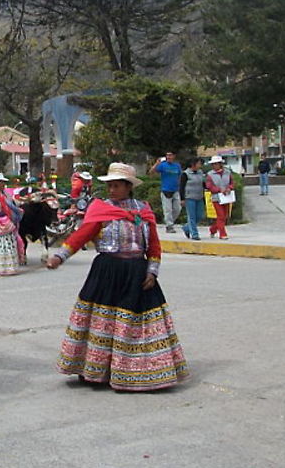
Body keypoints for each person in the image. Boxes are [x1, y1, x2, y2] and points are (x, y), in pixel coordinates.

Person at [46, 162, 187, 391]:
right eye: (109, 186)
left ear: (128, 187)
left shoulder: (143, 211)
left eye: (116, 186)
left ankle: (139, 371)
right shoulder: (101, 210)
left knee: (135, 323)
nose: (112, 190)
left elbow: (153, 245)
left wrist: (152, 271)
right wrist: (60, 256)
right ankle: (97, 370)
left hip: (136, 272)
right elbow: (82, 235)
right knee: (103, 323)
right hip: (107, 271)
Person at [149, 151, 183, 233]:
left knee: (177, 208)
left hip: (175, 190)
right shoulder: (163, 165)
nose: (169, 157)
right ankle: (169, 226)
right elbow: (151, 172)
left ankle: (169, 221)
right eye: (167, 155)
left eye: (170, 155)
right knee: (167, 210)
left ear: (174, 156)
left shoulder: (177, 166)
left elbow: (180, 176)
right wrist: (157, 163)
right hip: (166, 190)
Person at [205, 156, 234, 240]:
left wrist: (229, 188)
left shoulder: (227, 172)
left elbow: (232, 183)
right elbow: (209, 186)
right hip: (216, 198)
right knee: (220, 215)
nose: (215, 165)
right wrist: (219, 190)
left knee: (224, 216)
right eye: (213, 164)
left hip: (226, 197)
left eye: (216, 164)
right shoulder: (210, 174)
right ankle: (222, 233)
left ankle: (213, 229)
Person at [178, 157, 206, 240]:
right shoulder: (185, 174)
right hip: (189, 197)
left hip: (199, 197)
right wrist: (182, 199)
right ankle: (194, 234)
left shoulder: (200, 173)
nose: (200, 165)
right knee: (192, 216)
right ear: (193, 164)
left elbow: (203, 183)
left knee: (199, 216)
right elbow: (181, 187)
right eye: (199, 163)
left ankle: (186, 228)